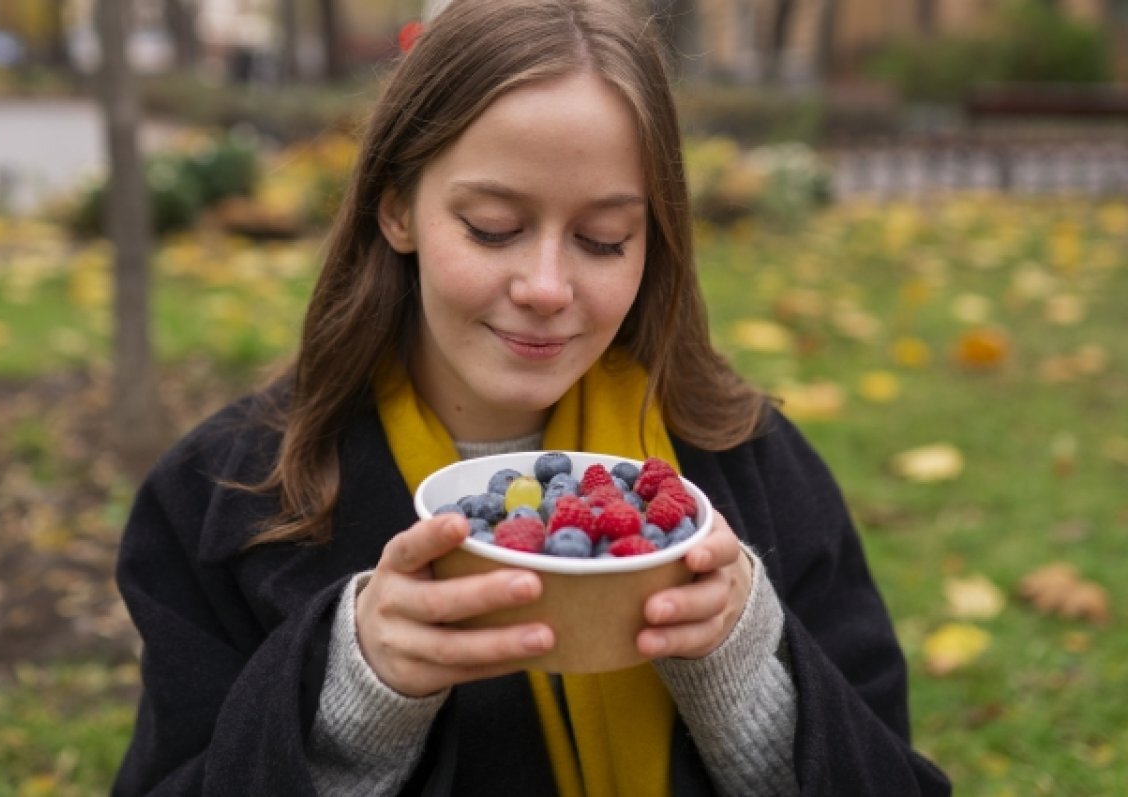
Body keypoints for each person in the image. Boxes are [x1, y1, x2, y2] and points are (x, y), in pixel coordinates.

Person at [111, 1, 951, 795]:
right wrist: (351, 699)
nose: (546, 287)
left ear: (654, 242)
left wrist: (748, 671)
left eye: (602, 239)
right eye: (492, 226)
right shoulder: (223, 497)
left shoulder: (751, 467)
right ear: (397, 206)